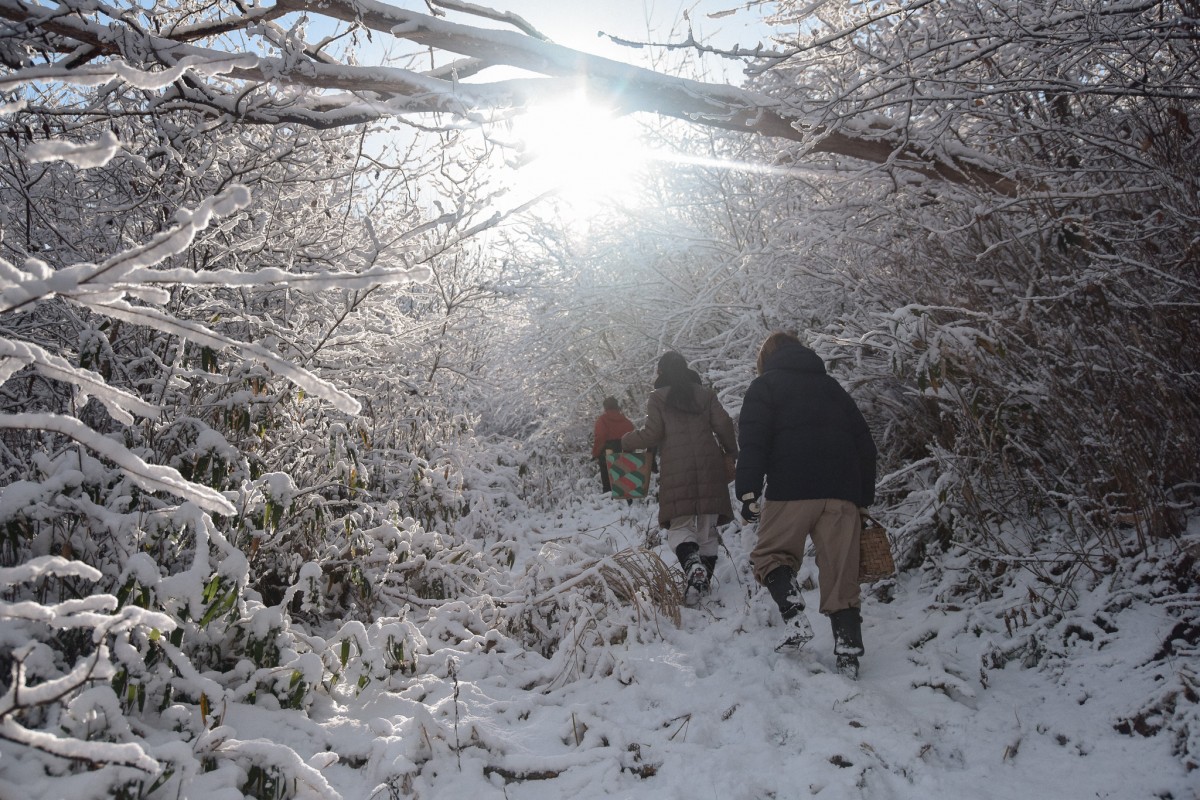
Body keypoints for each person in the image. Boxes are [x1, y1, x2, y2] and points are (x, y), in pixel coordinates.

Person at [735, 332, 877, 678]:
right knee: (841, 571)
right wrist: (862, 498)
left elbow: (753, 442)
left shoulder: (764, 387)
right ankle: (847, 651)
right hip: (841, 491)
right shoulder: (832, 388)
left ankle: (794, 612)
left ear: (765, 358)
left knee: (770, 555)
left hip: (792, 486)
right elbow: (865, 444)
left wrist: (749, 491)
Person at [622, 352, 738, 605]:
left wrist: (627, 440)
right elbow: (724, 423)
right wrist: (731, 451)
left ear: (662, 372)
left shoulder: (658, 398)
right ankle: (702, 582)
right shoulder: (705, 394)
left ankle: (692, 566)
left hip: (677, 469)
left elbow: (653, 433)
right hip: (710, 466)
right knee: (707, 530)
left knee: (680, 527)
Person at [592, 396, 634, 494]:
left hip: (608, 451)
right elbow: (632, 436)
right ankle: (628, 499)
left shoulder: (602, 420)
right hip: (625, 450)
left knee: (607, 480)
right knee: (625, 480)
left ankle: (609, 499)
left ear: (605, 407)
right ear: (617, 406)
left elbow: (600, 437)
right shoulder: (626, 421)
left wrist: (595, 453)